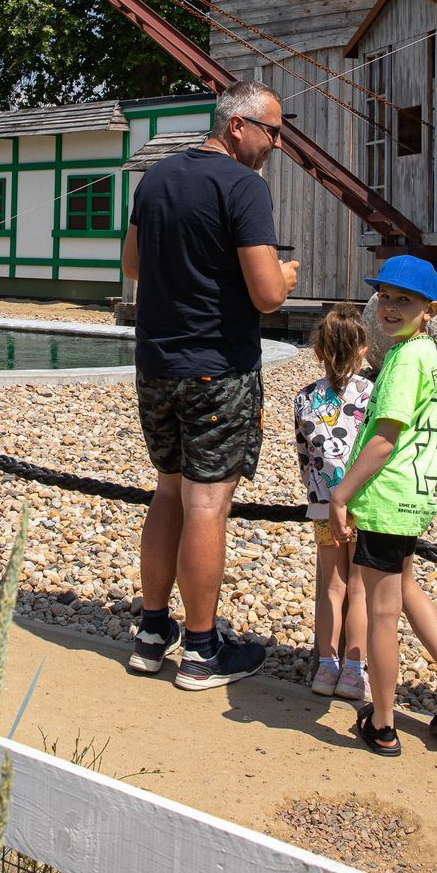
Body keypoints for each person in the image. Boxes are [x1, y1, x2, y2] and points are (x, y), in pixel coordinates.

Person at [121, 80, 298, 691]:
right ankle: (200, 649)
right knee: (206, 503)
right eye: (272, 131)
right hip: (216, 369)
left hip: (156, 365)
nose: (277, 143)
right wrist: (288, 274)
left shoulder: (156, 179)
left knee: (168, 491)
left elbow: (133, 266)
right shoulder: (246, 188)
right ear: (238, 126)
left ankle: (150, 634)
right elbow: (267, 295)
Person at [328, 255, 437, 756]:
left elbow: (385, 437)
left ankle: (384, 723)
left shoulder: (403, 359)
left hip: (386, 499)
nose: (389, 308)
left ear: (429, 309)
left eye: (403, 300)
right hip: (415, 495)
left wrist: (342, 493)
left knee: (382, 613)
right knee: (406, 586)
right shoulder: (427, 352)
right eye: (385, 296)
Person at [294, 306, 373, 700]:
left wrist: (314, 491)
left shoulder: (305, 398)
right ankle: (355, 671)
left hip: (323, 502)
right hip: (362, 500)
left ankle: (326, 667)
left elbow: (303, 456)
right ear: (362, 350)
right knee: (359, 586)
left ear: (318, 351)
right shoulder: (372, 395)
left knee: (332, 584)